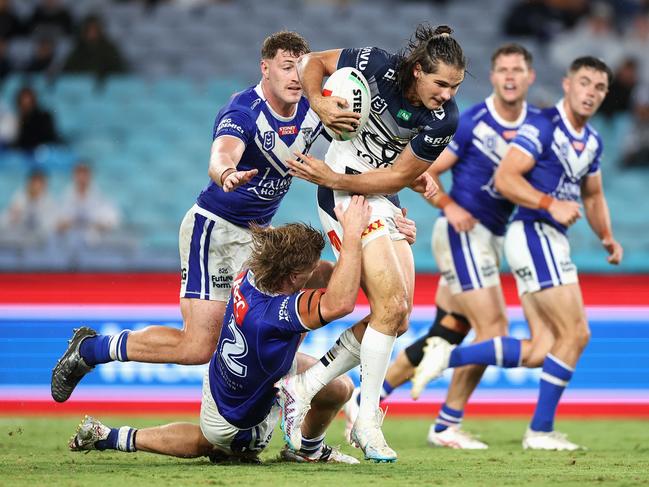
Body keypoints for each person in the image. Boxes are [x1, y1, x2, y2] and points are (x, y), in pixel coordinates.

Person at [51, 31, 415, 403]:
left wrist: (404, 193)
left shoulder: (313, 106)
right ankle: (91, 349)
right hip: (216, 229)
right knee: (197, 346)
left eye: (300, 68)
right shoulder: (243, 111)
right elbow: (221, 153)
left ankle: (283, 381)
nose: (294, 76)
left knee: (330, 277)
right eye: (286, 67)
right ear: (265, 68)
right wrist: (226, 173)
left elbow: (371, 147)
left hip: (258, 236)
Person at [346, 43, 553, 450]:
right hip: (464, 234)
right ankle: (446, 423)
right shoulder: (473, 120)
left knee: (449, 329)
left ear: (530, 77)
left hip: (491, 237)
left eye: (518, 70)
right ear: (493, 77)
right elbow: (422, 171)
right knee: (493, 329)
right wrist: (450, 206)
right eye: (502, 69)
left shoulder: (536, 126)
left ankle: (368, 398)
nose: (510, 77)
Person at [417, 56, 623, 451]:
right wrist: (549, 204)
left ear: (605, 95)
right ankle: (540, 431)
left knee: (542, 348)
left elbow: (593, 195)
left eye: (599, 87)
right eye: (584, 82)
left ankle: (444, 358)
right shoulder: (543, 126)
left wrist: (607, 237)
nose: (590, 93)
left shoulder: (592, 140)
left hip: (548, 236)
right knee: (576, 333)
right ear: (567, 84)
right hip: (534, 232)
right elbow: (506, 178)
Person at [280, 24, 466, 462]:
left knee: (397, 316)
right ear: (417, 70)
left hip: (376, 191)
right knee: (390, 308)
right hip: (343, 196)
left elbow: (400, 176)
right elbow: (314, 63)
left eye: (455, 86)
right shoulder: (374, 64)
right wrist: (320, 102)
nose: (447, 94)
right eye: (440, 84)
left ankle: (303, 385)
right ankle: (366, 421)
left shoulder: (444, 118)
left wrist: (336, 175)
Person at [68, 197, 371, 464]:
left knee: (339, 389)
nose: (315, 272)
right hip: (237, 417)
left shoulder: (254, 272)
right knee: (217, 445)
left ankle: (307, 449)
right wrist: (355, 235)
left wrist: (385, 240)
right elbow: (340, 303)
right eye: (306, 271)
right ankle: (111, 436)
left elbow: (324, 274)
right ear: (292, 277)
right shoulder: (272, 316)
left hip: (234, 375)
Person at [56, 162, 121, 246]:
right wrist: (61, 224)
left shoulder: (100, 196)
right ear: (74, 176)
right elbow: (57, 221)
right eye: (79, 174)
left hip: (95, 244)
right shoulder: (65, 196)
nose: (82, 178)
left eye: (85, 174)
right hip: (69, 244)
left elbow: (113, 219)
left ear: (90, 176)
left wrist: (102, 224)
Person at [62, 15, 128, 81]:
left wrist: (103, 75)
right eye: (89, 30)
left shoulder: (108, 49)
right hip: (82, 85)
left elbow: (118, 70)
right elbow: (68, 70)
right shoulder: (78, 48)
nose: (92, 33)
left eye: (94, 29)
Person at [13, 86, 60, 151]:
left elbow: (47, 139)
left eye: (28, 102)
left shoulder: (43, 117)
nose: (26, 105)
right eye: (23, 102)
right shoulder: (17, 118)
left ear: (33, 101)